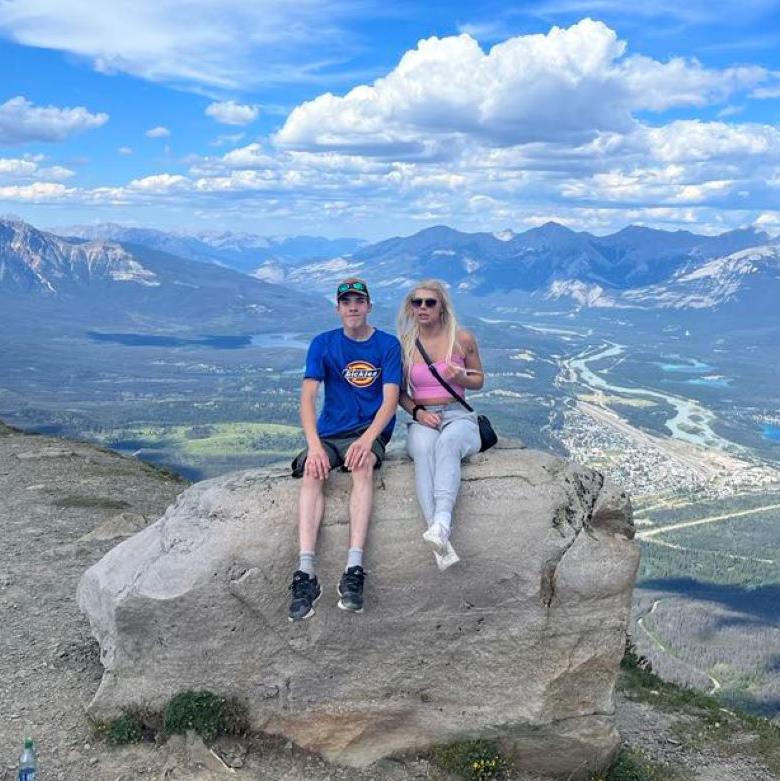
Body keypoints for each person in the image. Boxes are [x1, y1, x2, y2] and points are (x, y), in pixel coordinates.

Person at [288, 277, 402, 621]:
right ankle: (306, 572)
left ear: (368, 306)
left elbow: (391, 400)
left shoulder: (387, 344)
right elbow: (307, 398)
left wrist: (368, 440)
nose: (353, 307)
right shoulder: (323, 344)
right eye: (346, 302)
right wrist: (314, 446)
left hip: (369, 433)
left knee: (363, 466)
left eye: (359, 301)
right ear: (338, 309)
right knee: (312, 470)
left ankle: (354, 570)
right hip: (329, 433)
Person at [397, 280, 484, 571]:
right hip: (424, 416)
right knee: (424, 450)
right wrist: (419, 412)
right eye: (416, 302)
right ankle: (439, 537)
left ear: (442, 306)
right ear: (410, 308)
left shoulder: (461, 339)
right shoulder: (406, 345)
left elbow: (478, 380)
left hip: (458, 413)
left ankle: (441, 523)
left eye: (429, 302)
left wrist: (459, 377)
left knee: (447, 444)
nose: (422, 307)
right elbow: (400, 393)